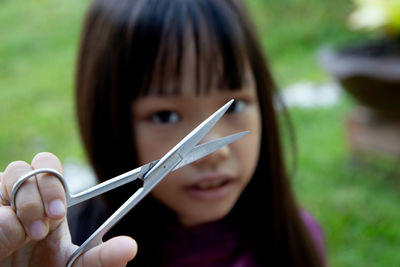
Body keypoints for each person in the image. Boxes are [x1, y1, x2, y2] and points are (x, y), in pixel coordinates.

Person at [0, 0, 326, 266]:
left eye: (234, 106)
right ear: (111, 123)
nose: (215, 151)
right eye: (165, 115)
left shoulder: (294, 238)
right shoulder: (73, 249)